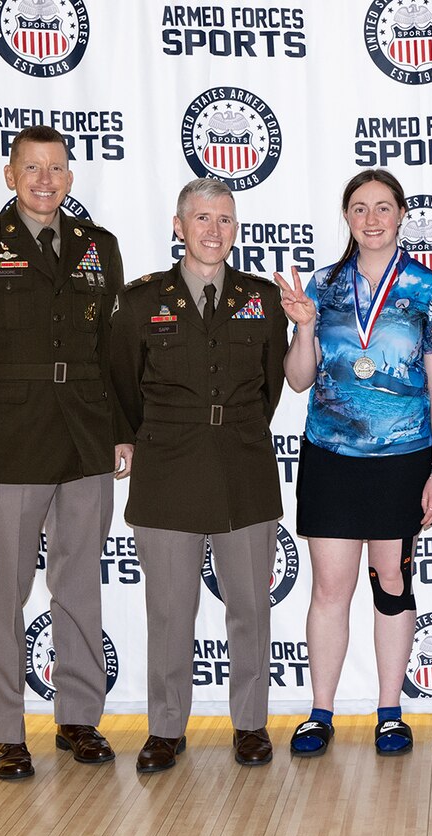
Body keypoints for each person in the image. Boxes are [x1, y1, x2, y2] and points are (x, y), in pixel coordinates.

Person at [0, 124, 130, 780]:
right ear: (11, 176)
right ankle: (4, 731)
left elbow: (113, 350)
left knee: (78, 585)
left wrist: (123, 428)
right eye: (32, 168)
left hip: (84, 439)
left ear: (69, 178)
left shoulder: (97, 247)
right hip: (7, 445)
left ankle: (78, 717)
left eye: (56, 169)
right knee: (5, 592)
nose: (45, 179)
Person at [108, 178, 288, 772]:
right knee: (168, 610)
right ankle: (165, 729)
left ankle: (250, 724)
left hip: (244, 466)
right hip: (166, 469)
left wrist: (226, 428)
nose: (214, 231)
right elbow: (124, 386)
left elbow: (269, 388)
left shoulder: (261, 299)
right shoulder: (140, 302)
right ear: (179, 226)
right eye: (203, 218)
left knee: (249, 609)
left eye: (226, 220)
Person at [277, 169, 432, 757]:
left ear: (402, 214)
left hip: (403, 460)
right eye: (360, 208)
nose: (372, 219)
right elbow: (299, 381)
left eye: (383, 207)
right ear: (346, 217)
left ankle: (389, 711)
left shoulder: (429, 290)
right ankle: (320, 712)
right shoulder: (322, 287)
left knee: (391, 583)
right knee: (330, 587)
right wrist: (303, 330)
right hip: (331, 457)